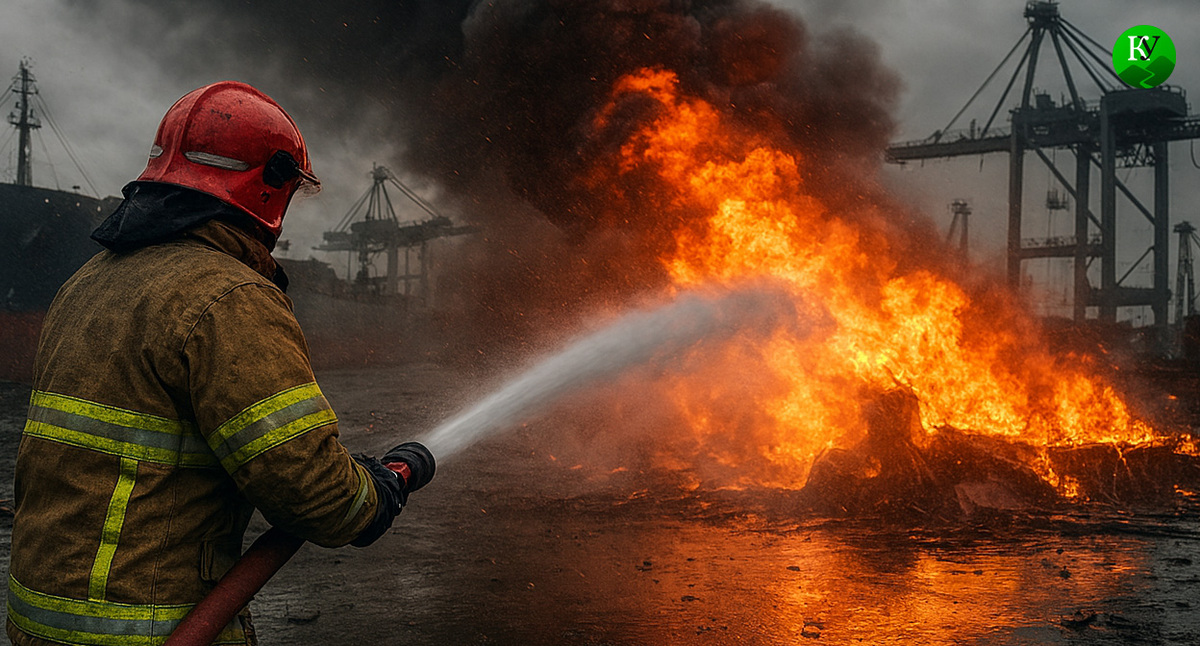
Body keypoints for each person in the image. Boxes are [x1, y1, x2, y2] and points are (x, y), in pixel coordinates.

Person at [6, 81, 433, 646]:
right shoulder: (229, 298)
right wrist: (371, 495)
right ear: (270, 188)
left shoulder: (87, 281)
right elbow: (315, 495)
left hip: (41, 621)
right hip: (148, 626)